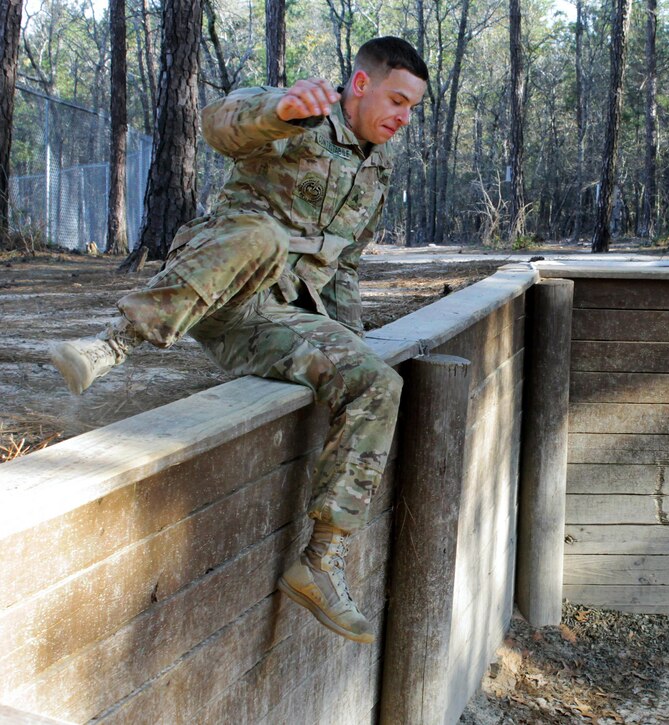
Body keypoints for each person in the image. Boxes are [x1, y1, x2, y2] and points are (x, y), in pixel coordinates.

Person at [49, 36, 429, 644]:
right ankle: (113, 343)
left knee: (379, 383)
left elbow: (345, 267)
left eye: (412, 109)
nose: (403, 117)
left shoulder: (376, 168)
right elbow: (218, 124)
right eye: (397, 100)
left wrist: (349, 344)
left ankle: (321, 562)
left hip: (273, 318)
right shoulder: (300, 112)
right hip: (216, 281)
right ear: (361, 85)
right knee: (264, 237)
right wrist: (276, 109)